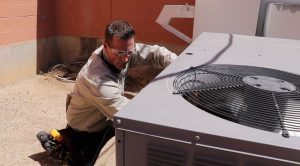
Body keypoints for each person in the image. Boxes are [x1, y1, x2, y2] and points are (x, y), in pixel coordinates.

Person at [37, 20, 177, 165]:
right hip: (88, 128)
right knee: (83, 161)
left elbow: (156, 54)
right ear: (105, 46)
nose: (126, 58)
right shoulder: (98, 80)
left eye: (130, 52)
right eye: (120, 53)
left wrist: (180, 63)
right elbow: (129, 116)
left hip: (103, 115)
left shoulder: (119, 51)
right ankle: (63, 146)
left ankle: (63, 138)